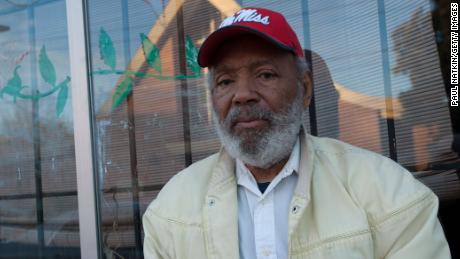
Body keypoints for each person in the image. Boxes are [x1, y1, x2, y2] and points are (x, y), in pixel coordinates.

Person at [143, 7, 451, 259]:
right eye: (225, 81)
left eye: (265, 75)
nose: (243, 94)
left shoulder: (388, 194)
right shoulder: (171, 211)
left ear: (304, 90)